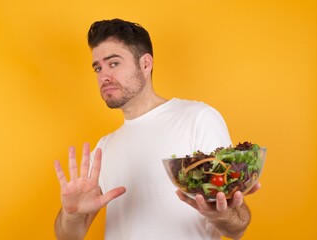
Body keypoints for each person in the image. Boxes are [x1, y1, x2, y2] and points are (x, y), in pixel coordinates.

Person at [54, 18, 259, 240]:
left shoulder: (197, 118)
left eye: (113, 63)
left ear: (145, 64)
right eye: (98, 68)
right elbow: (67, 236)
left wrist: (220, 215)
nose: (103, 76)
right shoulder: (105, 147)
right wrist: (71, 214)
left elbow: (237, 227)